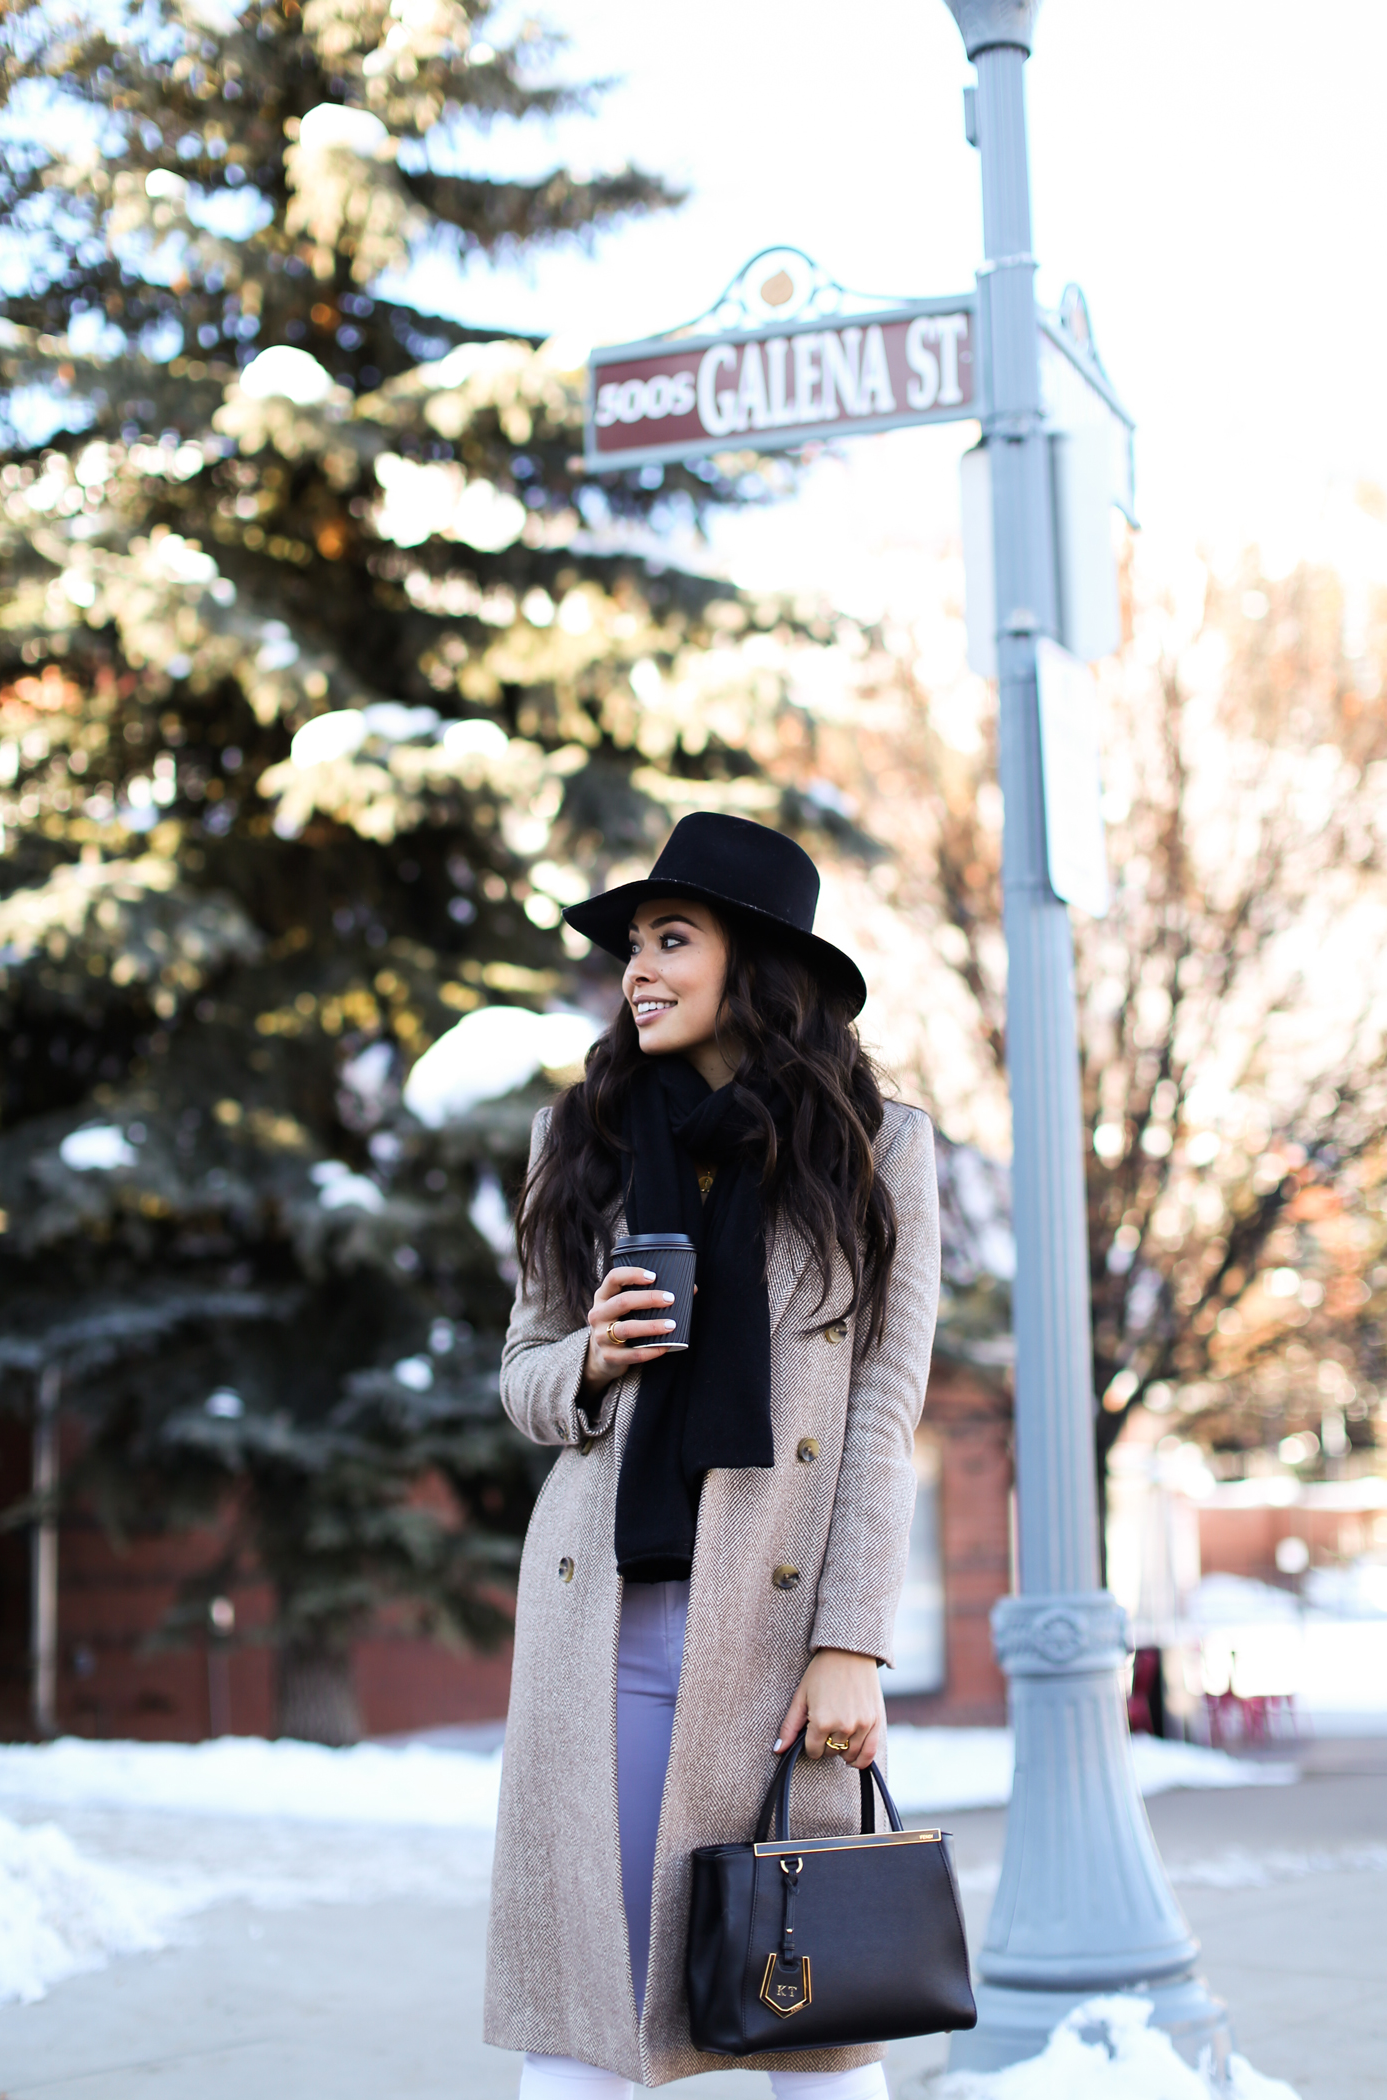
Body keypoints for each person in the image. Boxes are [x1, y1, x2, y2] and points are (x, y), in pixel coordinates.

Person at [483, 812, 941, 2098]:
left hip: (782, 1635)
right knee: (586, 2010)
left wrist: (852, 1641)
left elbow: (880, 1408)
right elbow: (520, 1375)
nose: (635, 969)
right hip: (607, 1623)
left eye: (670, 939)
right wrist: (589, 1358)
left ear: (757, 964)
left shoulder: (875, 1148)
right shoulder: (577, 1139)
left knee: (817, 2000)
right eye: (631, 944)